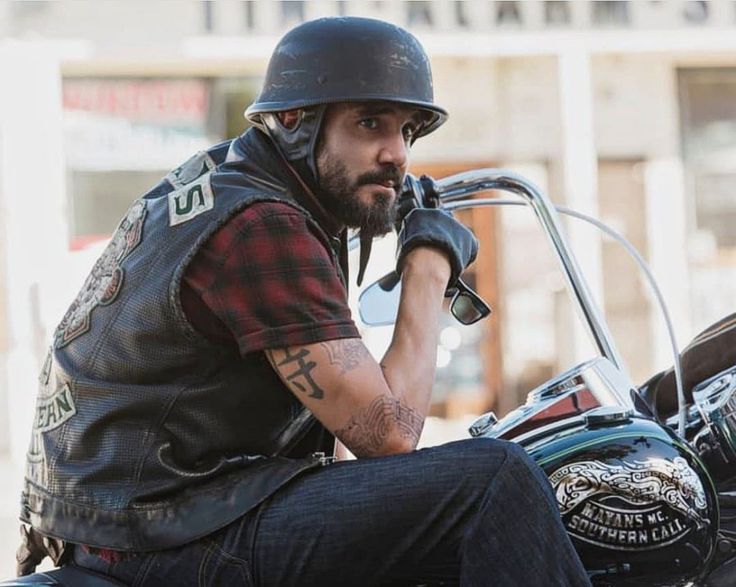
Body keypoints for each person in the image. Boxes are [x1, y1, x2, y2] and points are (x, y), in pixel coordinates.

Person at [16, 17, 590, 587]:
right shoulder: (262, 226)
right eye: (371, 123)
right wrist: (428, 265)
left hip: (131, 517)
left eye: (408, 131)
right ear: (295, 121)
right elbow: (388, 438)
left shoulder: (227, 182)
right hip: (164, 532)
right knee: (494, 479)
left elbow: (341, 439)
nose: (397, 154)